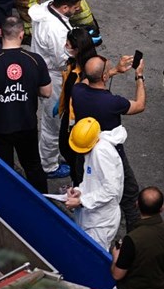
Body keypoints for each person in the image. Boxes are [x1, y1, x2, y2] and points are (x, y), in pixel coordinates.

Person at [0, 17, 51, 193]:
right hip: (26, 124)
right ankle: (45, 202)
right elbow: (46, 92)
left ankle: (4, 203)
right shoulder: (35, 60)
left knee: (2, 169)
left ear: (0, 33)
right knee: (33, 166)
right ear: (22, 35)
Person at [71, 54, 146, 230]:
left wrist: (113, 71)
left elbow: (88, 80)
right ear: (104, 77)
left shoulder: (78, 91)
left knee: (86, 187)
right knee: (129, 193)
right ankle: (133, 235)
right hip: (112, 154)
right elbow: (140, 105)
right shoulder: (112, 102)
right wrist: (139, 76)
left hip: (84, 151)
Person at [29, 0, 88, 180]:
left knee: (50, 119)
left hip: (40, 68)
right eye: (75, 6)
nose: (78, 9)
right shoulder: (56, 31)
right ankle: (48, 165)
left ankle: (49, 157)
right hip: (53, 77)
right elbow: (61, 59)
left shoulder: (47, 8)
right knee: (52, 121)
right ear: (64, 8)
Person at [64, 117, 126, 250]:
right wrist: (79, 191)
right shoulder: (94, 148)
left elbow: (111, 190)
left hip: (101, 222)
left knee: (92, 258)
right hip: (92, 216)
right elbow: (92, 180)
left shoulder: (101, 154)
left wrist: (82, 201)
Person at [58, 27, 99, 186]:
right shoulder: (73, 64)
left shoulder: (87, 74)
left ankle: (79, 186)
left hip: (79, 121)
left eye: (68, 45)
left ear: (77, 49)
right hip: (68, 115)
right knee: (65, 148)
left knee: (76, 157)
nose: (65, 46)